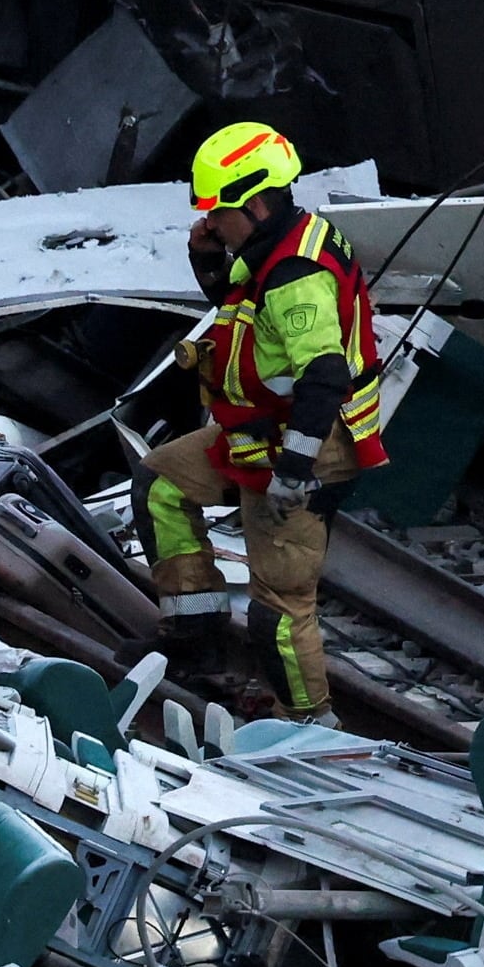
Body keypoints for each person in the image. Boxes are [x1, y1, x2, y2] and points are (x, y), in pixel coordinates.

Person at [138, 120, 389, 724]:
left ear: (254, 204)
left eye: (217, 214)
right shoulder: (277, 244)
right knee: (162, 484)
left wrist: (294, 471)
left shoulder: (295, 277)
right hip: (257, 436)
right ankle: (197, 632)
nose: (209, 223)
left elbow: (323, 378)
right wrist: (206, 257)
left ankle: (307, 724)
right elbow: (235, 306)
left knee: (279, 606)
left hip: (303, 450)